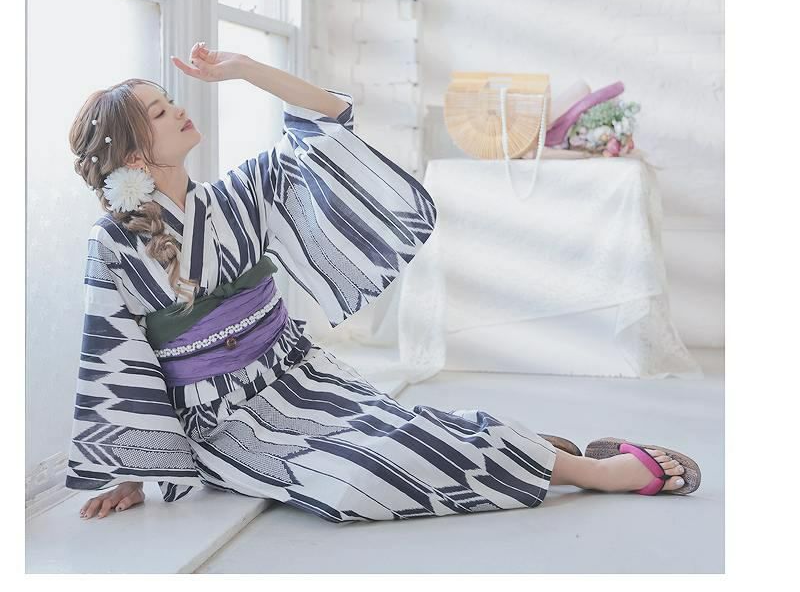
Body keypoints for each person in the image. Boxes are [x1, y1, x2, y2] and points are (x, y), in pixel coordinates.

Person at [66, 44, 700, 524]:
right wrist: (131, 472)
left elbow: (327, 119)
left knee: (396, 435)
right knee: (354, 483)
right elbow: (116, 357)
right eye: (160, 110)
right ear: (135, 155)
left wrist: (247, 69)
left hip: (297, 377)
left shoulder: (241, 194)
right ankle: (526, 452)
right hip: (223, 422)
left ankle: (591, 470)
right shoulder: (112, 243)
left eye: (170, 99)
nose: (179, 109)